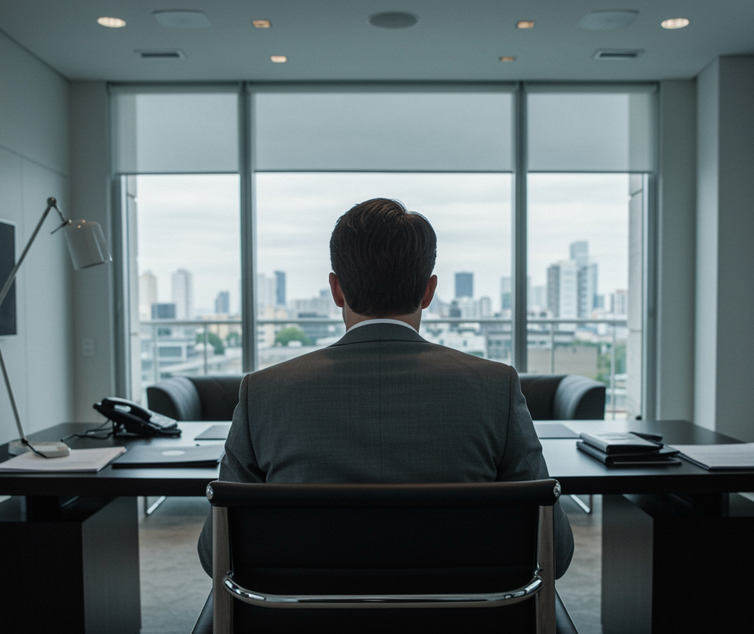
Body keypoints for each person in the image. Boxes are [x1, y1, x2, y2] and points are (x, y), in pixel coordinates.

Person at [198, 197, 573, 578]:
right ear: (428, 291)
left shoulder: (263, 393)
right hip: (465, 630)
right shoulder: (497, 388)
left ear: (336, 290)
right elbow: (554, 551)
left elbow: (216, 554)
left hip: (301, 630)